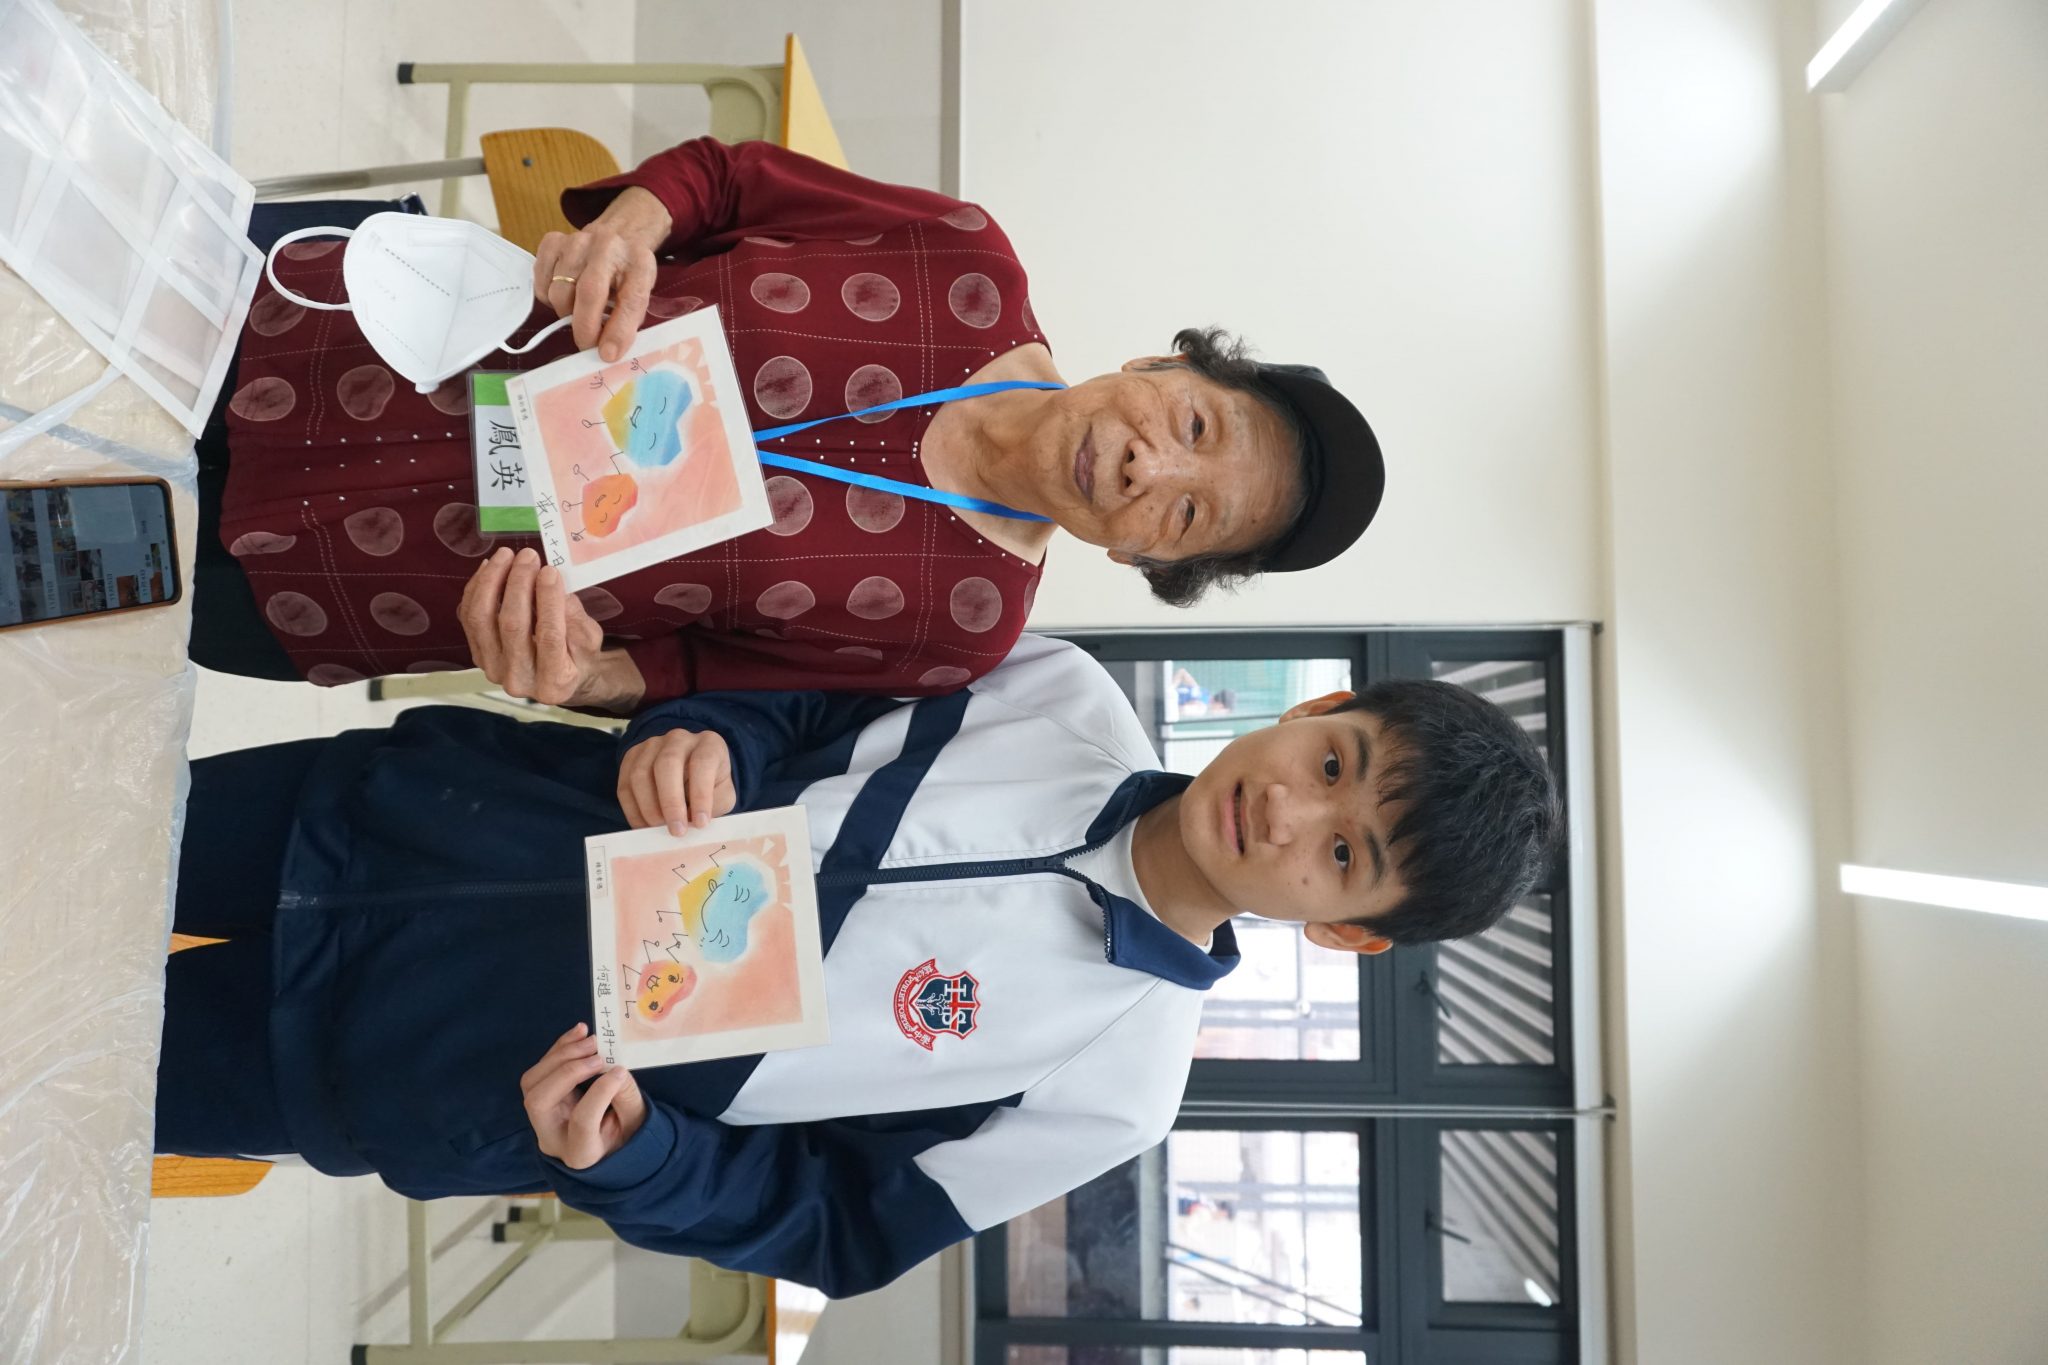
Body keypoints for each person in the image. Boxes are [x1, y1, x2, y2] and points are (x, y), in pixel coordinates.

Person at [154, 636, 1558, 1296]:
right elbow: (793, 692)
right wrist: (710, 733)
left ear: (1348, 930)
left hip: (411, 1069)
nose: (1291, 812)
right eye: (1332, 761)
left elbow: (835, 1223)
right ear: (1320, 707)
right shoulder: (1055, 691)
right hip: (397, 812)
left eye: (1343, 854)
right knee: (69, 832)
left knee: (64, 1062)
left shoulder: (1116, 1089)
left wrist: (641, 1162)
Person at [195, 138, 1384, 711]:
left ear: (1141, 560)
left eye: (1184, 514)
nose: (1144, 465)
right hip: (351, 332)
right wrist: (631, 229)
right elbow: (725, 182)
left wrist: (567, 675)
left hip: (353, 585)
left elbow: (692, 676)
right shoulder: (962, 259)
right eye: (1191, 423)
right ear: (1161, 363)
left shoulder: (957, 632)